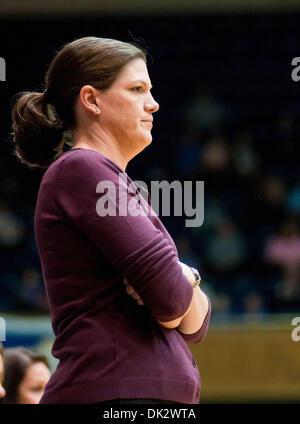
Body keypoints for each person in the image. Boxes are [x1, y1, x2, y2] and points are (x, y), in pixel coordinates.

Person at [10, 36, 211, 404]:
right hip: (114, 395)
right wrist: (178, 283)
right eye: (137, 89)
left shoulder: (112, 182)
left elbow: (195, 324)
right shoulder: (82, 168)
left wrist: (185, 277)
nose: (153, 103)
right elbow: (170, 303)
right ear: (91, 99)